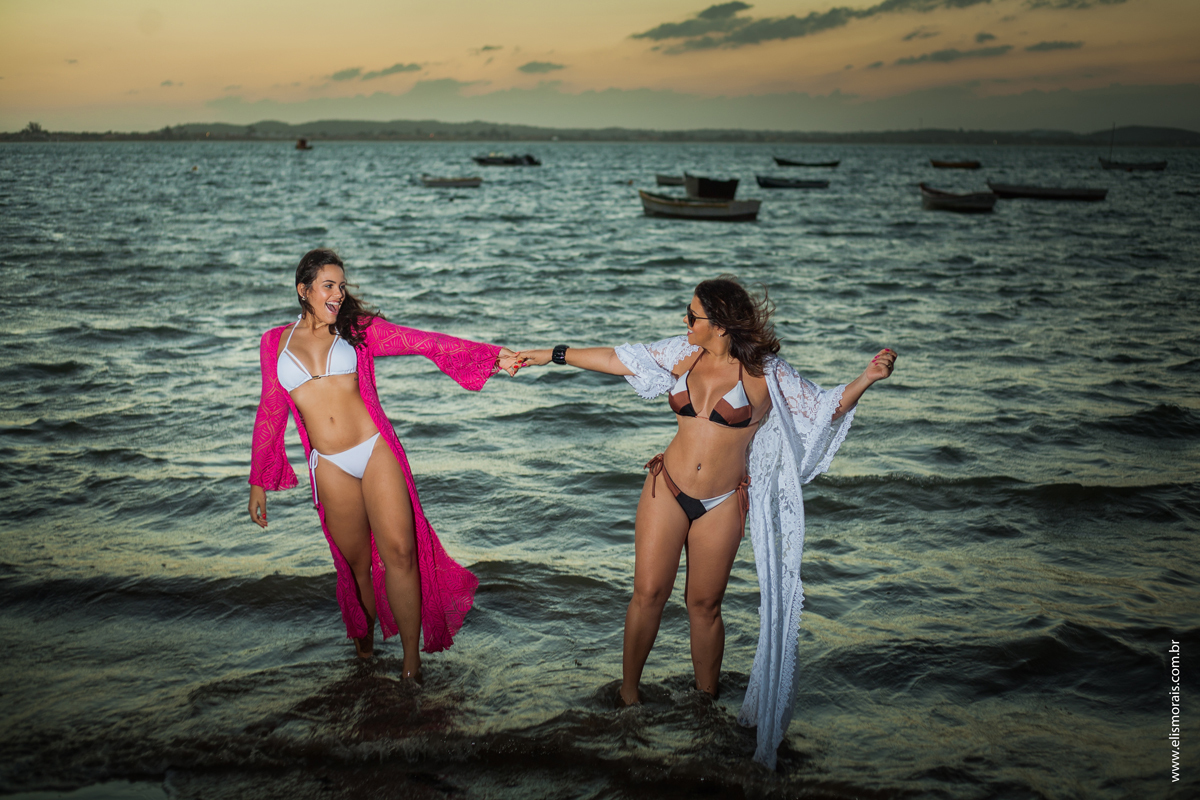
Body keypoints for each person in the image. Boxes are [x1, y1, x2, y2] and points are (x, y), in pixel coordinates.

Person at [518, 276, 895, 768]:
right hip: (666, 489)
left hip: (721, 501)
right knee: (647, 593)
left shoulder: (766, 373)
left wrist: (866, 378)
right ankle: (629, 697)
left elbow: (823, 409)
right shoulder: (682, 353)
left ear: (718, 324)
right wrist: (549, 354)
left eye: (692, 315)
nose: (684, 322)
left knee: (704, 605)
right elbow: (615, 359)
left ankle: (704, 704)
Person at [247, 248, 524, 680]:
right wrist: (259, 481)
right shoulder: (274, 343)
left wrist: (492, 356)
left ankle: (411, 666)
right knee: (356, 567)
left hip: (374, 449)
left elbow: (425, 341)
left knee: (400, 551)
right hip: (330, 465)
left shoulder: (356, 330)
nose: (338, 294)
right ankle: (364, 651)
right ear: (303, 291)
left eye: (341, 285)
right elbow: (270, 410)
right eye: (328, 286)